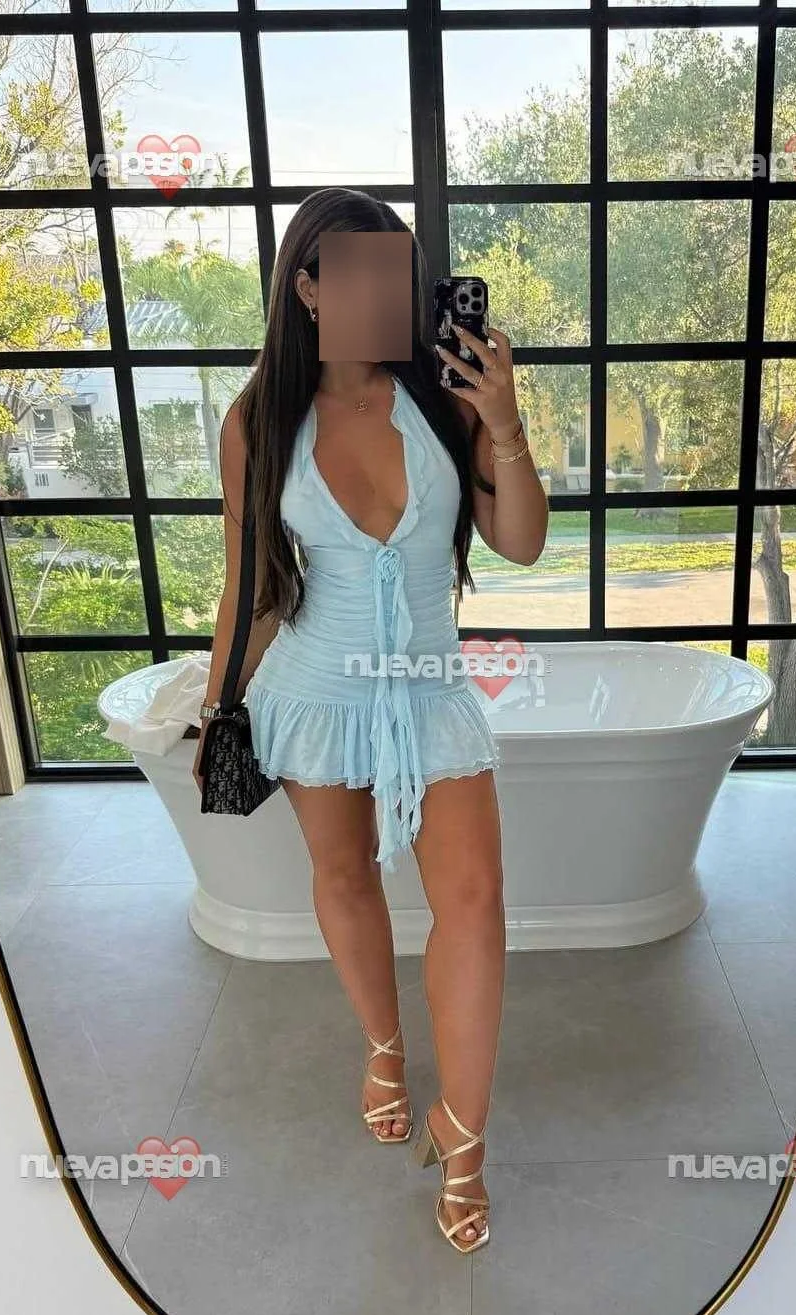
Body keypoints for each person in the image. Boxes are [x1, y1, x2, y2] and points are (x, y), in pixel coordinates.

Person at [193, 187, 548, 1253]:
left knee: (474, 906)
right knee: (344, 878)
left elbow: (522, 544)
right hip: (316, 688)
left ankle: (464, 1141)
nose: (383, 294)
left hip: (432, 692)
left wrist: (504, 420)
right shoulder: (259, 421)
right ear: (307, 287)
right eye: (356, 275)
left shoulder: (445, 401)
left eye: (397, 273)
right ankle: (385, 1046)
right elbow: (252, 585)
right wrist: (218, 708)